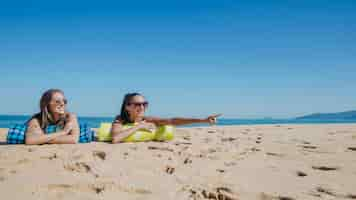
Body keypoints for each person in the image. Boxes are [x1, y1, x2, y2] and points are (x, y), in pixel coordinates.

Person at [111, 93, 221, 143]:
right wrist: (139, 126)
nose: (142, 107)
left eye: (144, 104)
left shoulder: (147, 119)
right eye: (137, 104)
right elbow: (116, 138)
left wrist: (203, 120)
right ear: (127, 107)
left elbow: (172, 121)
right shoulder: (120, 119)